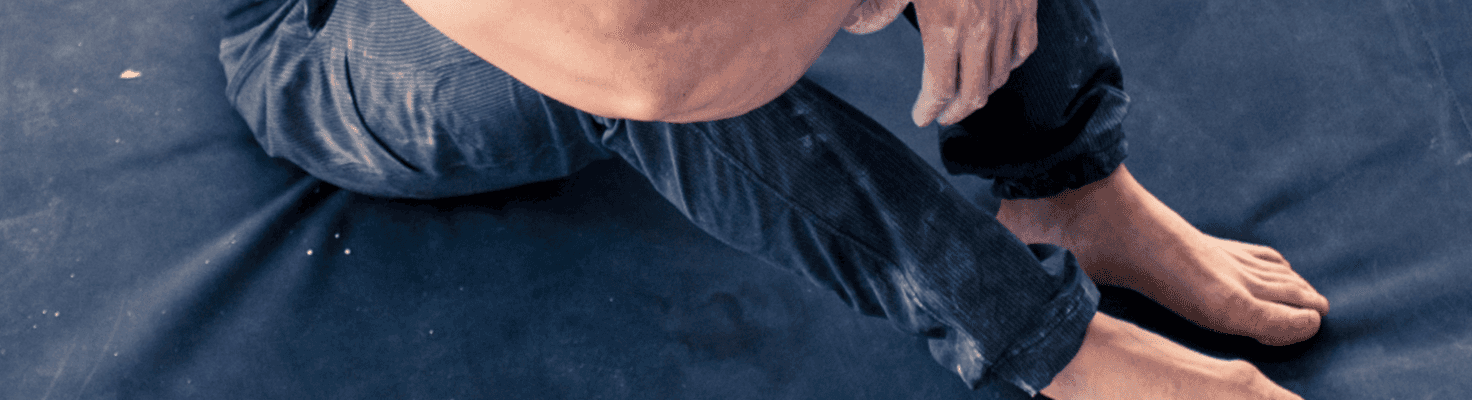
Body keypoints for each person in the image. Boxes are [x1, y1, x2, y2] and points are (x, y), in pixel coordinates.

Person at [216, 0, 1329, 397]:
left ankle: (1072, 187)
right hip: (334, 36)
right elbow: (641, 55)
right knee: (653, 66)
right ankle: (1054, 350)